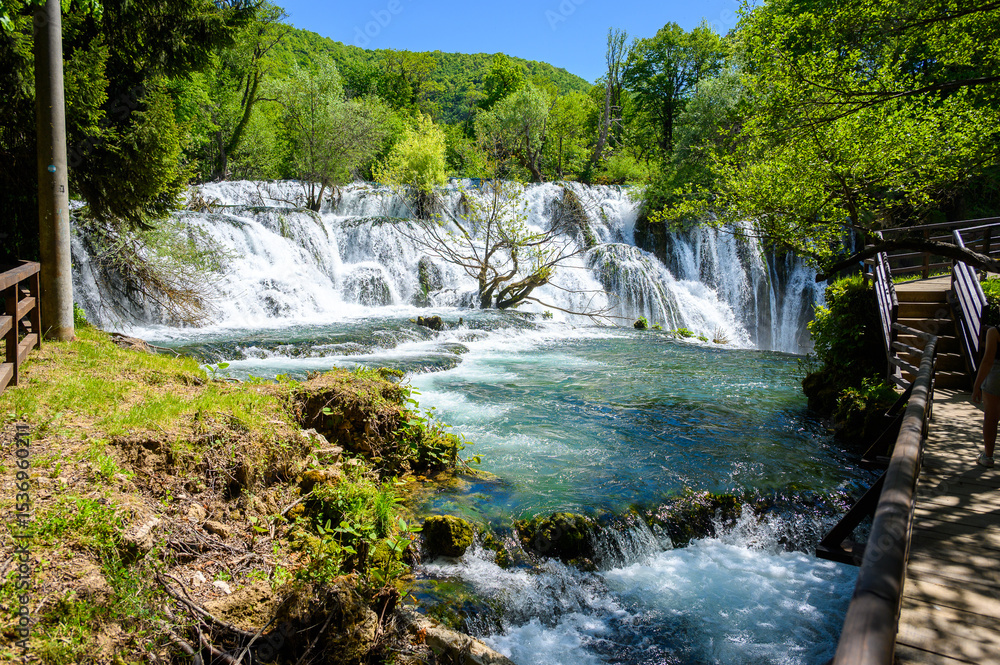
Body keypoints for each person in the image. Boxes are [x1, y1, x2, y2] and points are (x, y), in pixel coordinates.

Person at [971, 326, 999, 467]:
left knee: (991, 417)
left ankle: (988, 457)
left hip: (996, 375)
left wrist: (977, 386)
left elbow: (988, 359)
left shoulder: (994, 332)